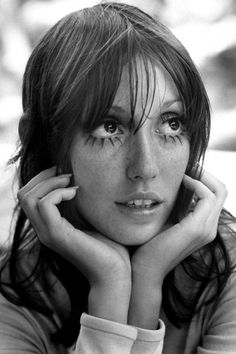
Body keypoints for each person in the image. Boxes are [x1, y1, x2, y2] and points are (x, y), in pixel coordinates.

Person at [0, 2, 236, 353]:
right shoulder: (12, 301)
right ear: (45, 139)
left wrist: (146, 279)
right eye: (109, 127)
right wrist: (111, 289)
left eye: (171, 123)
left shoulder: (227, 271)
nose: (146, 167)